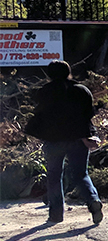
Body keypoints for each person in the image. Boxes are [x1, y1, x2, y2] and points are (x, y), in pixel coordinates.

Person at [27, 60, 103, 225]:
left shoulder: (44, 92)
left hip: (53, 141)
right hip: (79, 139)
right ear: (69, 71)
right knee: (81, 174)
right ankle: (93, 201)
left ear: (49, 75)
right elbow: (89, 114)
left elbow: (39, 116)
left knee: (54, 177)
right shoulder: (82, 90)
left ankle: (56, 215)